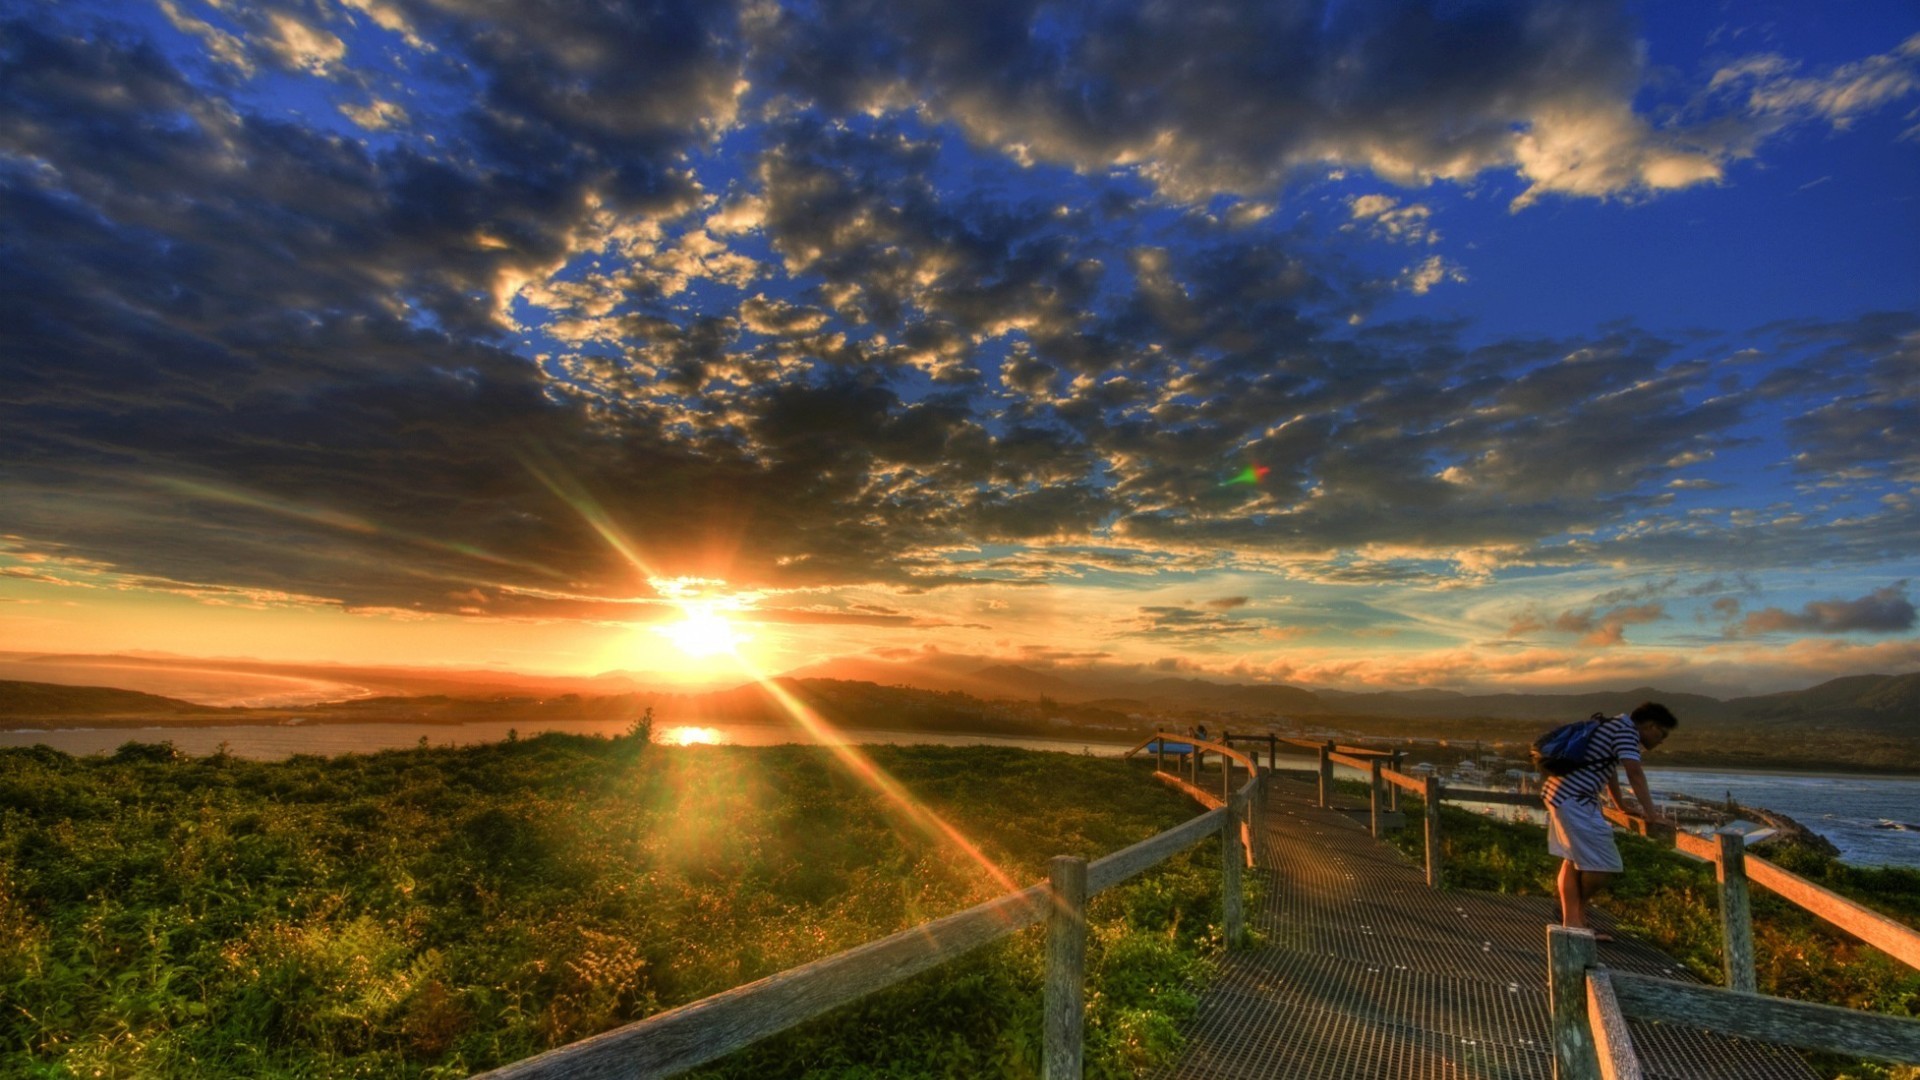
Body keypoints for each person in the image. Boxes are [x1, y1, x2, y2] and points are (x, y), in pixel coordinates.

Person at [1543, 701, 1677, 941]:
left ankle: (1574, 923)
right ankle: (1574, 920)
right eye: (1662, 734)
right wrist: (1652, 815)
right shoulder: (1626, 731)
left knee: (1573, 860)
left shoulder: (1613, 725)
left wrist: (1620, 805)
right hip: (1574, 798)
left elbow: (1609, 770)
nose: (1661, 740)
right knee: (1603, 864)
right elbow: (1634, 772)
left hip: (1563, 794)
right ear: (1650, 726)